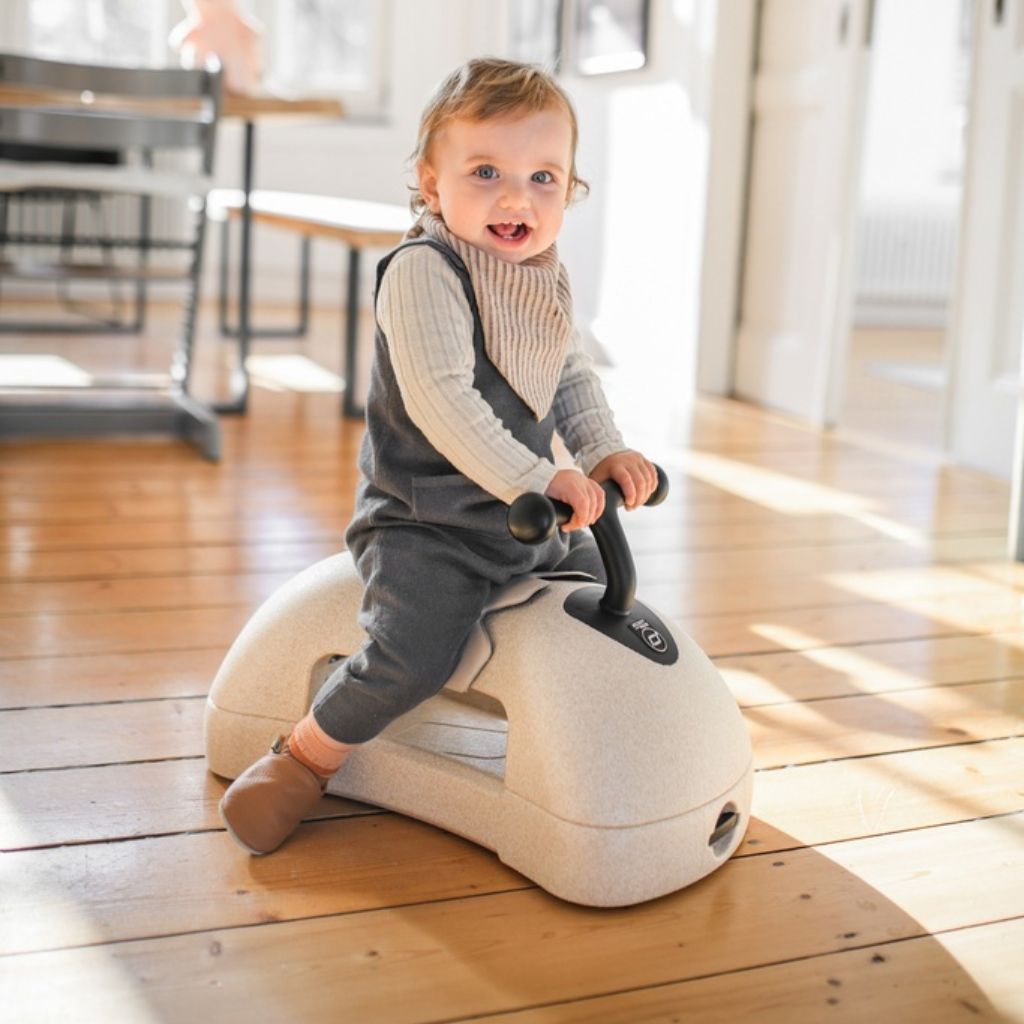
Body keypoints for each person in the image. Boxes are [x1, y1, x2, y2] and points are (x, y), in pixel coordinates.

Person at [219, 57, 658, 854]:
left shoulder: (538, 277)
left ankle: (589, 760)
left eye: (543, 176)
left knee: (603, 591)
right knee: (416, 651)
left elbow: (568, 372)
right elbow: (441, 400)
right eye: (485, 171)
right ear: (430, 181)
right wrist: (538, 476)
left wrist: (603, 448)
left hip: (524, 519)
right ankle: (305, 759)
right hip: (429, 523)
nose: (516, 197)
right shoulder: (425, 272)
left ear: (572, 190)